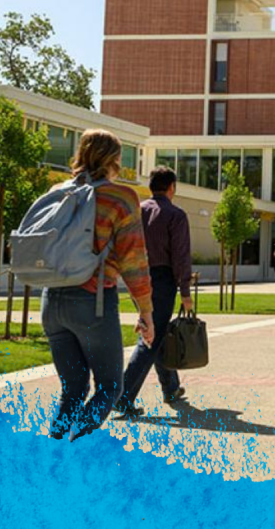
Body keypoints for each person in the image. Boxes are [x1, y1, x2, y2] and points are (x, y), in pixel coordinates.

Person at [41, 129, 155, 441]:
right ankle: (79, 451)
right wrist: (146, 312)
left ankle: (54, 456)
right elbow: (134, 262)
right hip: (92, 302)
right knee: (109, 387)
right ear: (115, 160)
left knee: (73, 389)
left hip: (51, 302)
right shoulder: (120, 197)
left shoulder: (59, 191)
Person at [114, 165, 192, 418]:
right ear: (172, 187)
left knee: (154, 333)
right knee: (150, 337)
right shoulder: (175, 215)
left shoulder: (137, 211)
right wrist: (186, 292)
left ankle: (171, 387)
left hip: (137, 277)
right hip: (162, 279)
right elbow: (180, 257)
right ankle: (122, 398)